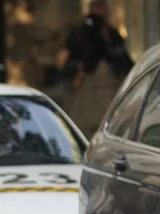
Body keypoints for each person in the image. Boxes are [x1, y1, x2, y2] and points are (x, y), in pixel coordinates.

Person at [57, 0, 133, 138]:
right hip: (84, 97)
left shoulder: (113, 36)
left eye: (102, 16)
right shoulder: (79, 34)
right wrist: (77, 73)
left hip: (109, 98)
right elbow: (64, 60)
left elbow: (124, 63)